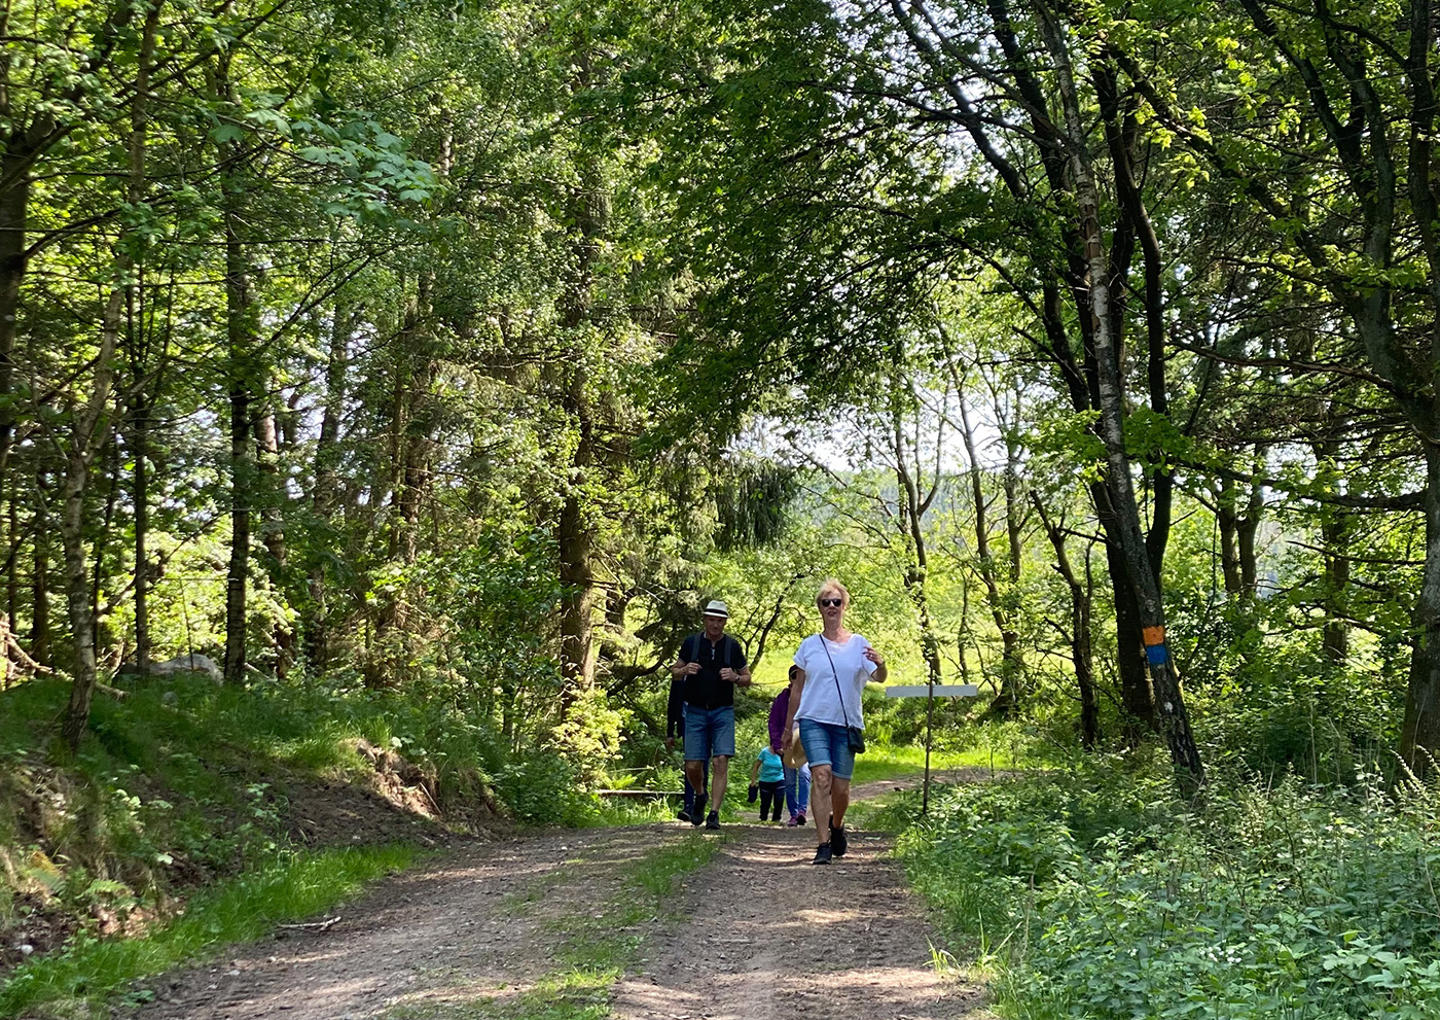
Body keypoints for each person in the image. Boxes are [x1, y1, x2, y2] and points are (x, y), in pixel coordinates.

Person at [781, 579, 887, 864]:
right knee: (821, 776)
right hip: (813, 720)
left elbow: (878, 678)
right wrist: (788, 726)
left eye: (836, 602)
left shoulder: (858, 644)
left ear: (844, 606)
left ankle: (837, 825)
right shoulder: (808, 646)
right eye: (825, 602)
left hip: (846, 724)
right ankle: (823, 844)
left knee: (840, 787)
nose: (831, 606)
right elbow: (797, 690)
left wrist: (881, 663)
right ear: (819, 608)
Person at [671, 599, 751, 830]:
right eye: (711, 619)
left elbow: (747, 678)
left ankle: (714, 813)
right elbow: (675, 672)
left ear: (725, 622)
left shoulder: (732, 647)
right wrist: (685, 670)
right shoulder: (691, 644)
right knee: (693, 765)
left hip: (722, 711)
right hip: (695, 710)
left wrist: (735, 677)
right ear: (705, 620)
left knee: (720, 760)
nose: (715, 624)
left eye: (719, 620)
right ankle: (700, 794)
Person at [768, 676, 809, 825]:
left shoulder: (810, 696)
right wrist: (776, 743)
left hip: (804, 745)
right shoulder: (782, 699)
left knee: (805, 774)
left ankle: (802, 811)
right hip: (787, 745)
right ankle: (793, 814)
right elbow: (773, 722)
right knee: (790, 781)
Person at [665, 677, 706, 823]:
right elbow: (673, 704)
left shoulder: (705, 672)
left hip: (705, 724)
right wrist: (670, 732)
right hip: (686, 726)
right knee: (691, 765)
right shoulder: (679, 679)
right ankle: (688, 806)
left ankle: (699, 803)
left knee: (703, 764)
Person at [747, 743, 785, 821]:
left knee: (779, 800)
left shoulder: (782, 753)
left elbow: (789, 765)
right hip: (765, 781)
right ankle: (763, 818)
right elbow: (756, 766)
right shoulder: (764, 752)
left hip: (779, 780)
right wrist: (753, 780)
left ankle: (776, 819)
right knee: (765, 802)